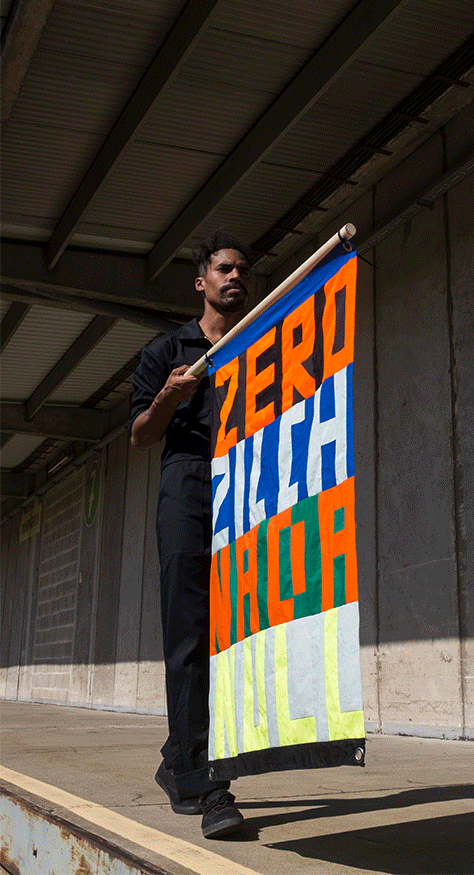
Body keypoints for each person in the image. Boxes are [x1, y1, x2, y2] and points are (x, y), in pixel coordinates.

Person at [129, 231, 252, 839]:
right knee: (189, 631)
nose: (236, 277)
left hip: (247, 480)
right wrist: (170, 397)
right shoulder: (167, 350)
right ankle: (205, 783)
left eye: (242, 271)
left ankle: (180, 758)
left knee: (236, 632)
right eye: (225, 269)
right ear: (201, 281)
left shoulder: (259, 345)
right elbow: (139, 435)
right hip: (188, 483)